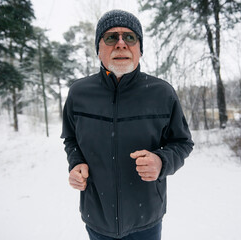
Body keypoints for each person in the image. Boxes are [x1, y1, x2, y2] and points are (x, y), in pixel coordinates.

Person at [61, 9, 194, 240]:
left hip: (146, 221)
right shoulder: (78, 93)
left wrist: (161, 161)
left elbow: (182, 143)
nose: (121, 44)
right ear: (99, 49)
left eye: (129, 37)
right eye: (111, 37)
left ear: (139, 49)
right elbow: (71, 139)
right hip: (97, 217)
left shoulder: (162, 93)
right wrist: (76, 163)